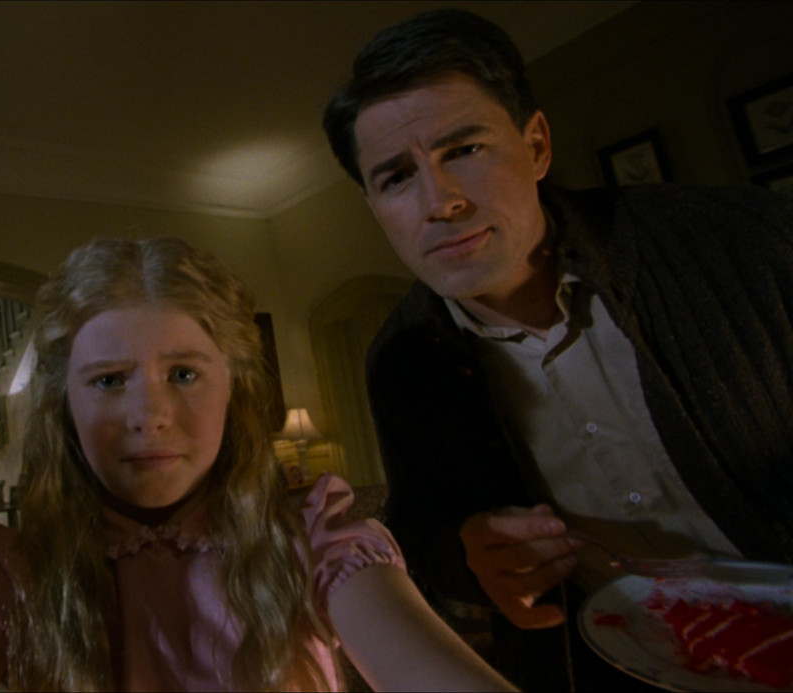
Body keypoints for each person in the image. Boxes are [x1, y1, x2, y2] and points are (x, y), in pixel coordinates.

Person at [321, 8, 793, 690]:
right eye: (396, 177)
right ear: (373, 205)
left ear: (537, 146)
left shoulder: (747, 243)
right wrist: (472, 559)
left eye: (464, 150)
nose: (440, 202)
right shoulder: (400, 360)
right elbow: (427, 530)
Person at [0, 236, 515, 692]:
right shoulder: (7, 573)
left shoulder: (315, 543)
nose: (151, 415)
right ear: (64, 406)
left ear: (233, 387)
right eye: (109, 380)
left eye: (184, 374)